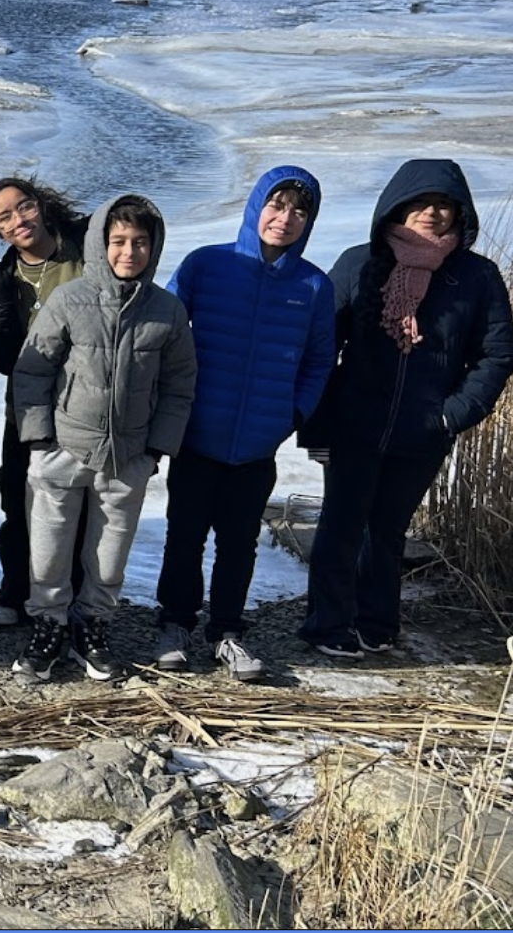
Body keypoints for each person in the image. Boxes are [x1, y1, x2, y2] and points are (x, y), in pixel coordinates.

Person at [297, 159, 513, 660]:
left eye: (444, 204)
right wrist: (320, 425)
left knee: (389, 528)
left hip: (424, 429)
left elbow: (497, 353)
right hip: (356, 424)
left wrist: (452, 414)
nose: (433, 212)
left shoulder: (476, 277)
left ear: (460, 213)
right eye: (421, 202)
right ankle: (327, 623)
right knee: (342, 524)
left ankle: (376, 623)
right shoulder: (359, 264)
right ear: (397, 206)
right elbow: (318, 345)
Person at [154, 168, 335, 681]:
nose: (286, 218)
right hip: (197, 433)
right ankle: (175, 624)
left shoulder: (314, 286)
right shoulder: (205, 265)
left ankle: (227, 633)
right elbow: (165, 336)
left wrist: (292, 413)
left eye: (299, 211)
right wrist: (171, 407)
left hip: (259, 442)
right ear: (256, 205)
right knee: (184, 534)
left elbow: (320, 360)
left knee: (239, 542)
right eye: (276, 205)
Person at [12, 195, 196, 684]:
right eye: (118, 241)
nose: (129, 252)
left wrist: (155, 451)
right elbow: (32, 370)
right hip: (63, 449)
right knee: (49, 549)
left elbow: (180, 386)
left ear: (153, 248)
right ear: (100, 243)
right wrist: (40, 441)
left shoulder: (167, 311)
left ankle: (92, 627)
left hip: (129, 456)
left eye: (140, 242)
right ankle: (48, 626)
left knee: (108, 555)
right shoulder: (69, 298)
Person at [0, 176, 91, 626]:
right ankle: (17, 585)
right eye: (4, 217)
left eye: (23, 207)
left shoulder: (86, 249)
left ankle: (76, 593)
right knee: (17, 491)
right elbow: (1, 356)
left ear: (41, 206)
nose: (18, 220)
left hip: (87, 401)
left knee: (81, 498)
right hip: (26, 404)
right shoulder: (2, 277)